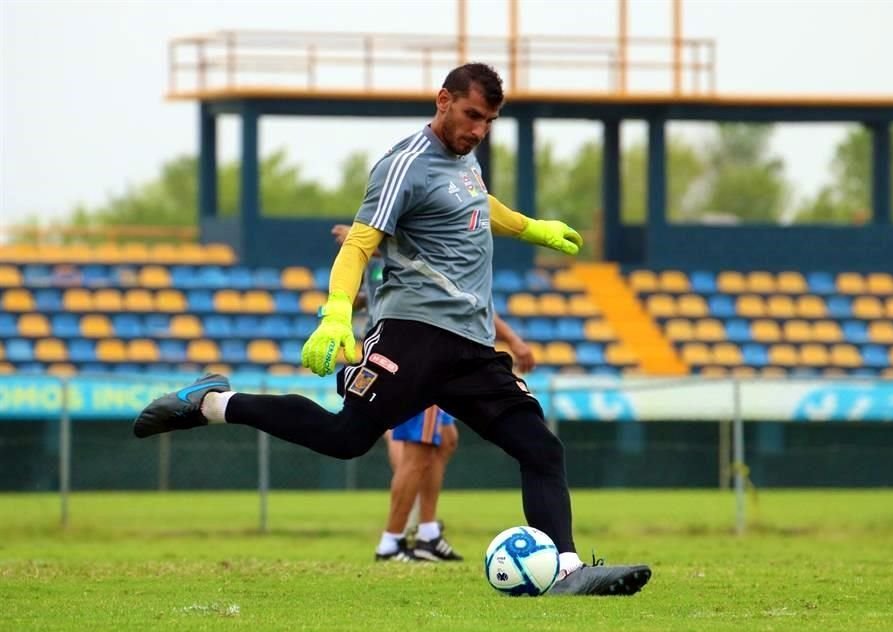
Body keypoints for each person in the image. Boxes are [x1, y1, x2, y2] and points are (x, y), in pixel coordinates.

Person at [134, 62, 652, 596]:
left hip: (473, 348)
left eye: (490, 121)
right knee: (345, 438)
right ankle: (212, 403)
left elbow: (476, 202)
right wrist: (336, 314)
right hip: (415, 334)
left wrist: (531, 228)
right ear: (443, 99)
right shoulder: (403, 165)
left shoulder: (465, 161)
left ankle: (566, 572)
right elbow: (360, 243)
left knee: (541, 449)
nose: (478, 130)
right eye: (472, 115)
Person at [331, 223, 536, 563]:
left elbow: (361, 295)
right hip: (417, 352)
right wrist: (513, 340)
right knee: (419, 450)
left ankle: (426, 533)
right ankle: (392, 542)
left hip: (399, 349)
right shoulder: (422, 249)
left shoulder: (386, 251)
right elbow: (466, 301)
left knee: (443, 439)